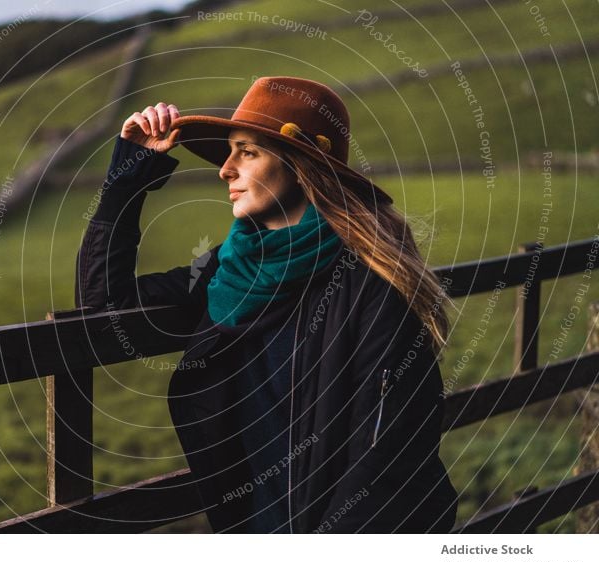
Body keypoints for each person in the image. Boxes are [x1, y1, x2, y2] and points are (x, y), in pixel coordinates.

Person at [75, 76, 459, 533]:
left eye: (248, 151)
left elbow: (387, 464)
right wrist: (126, 181)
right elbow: (105, 310)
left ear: (299, 164)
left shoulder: (370, 283)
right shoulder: (227, 270)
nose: (225, 169)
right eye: (229, 151)